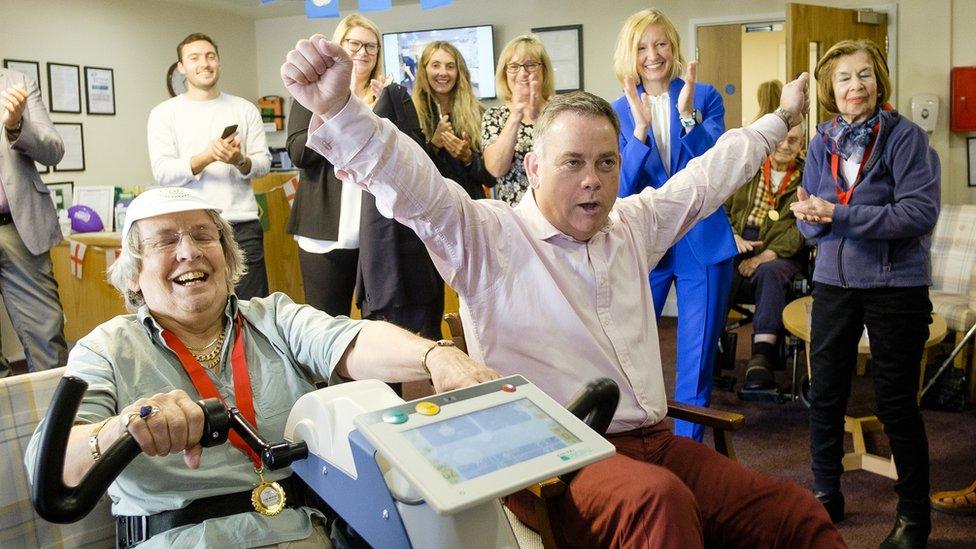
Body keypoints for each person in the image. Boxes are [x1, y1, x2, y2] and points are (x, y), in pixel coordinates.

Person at [281, 34, 844, 548]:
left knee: (791, 513)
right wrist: (338, 110)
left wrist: (780, 119)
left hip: (654, 442)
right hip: (550, 463)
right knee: (659, 504)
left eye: (606, 162)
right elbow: (411, 182)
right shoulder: (487, 236)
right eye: (572, 163)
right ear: (533, 167)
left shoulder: (632, 224)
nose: (592, 179)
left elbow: (709, 176)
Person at [24, 186, 499, 548]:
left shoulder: (273, 317)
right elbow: (52, 467)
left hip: (303, 535)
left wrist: (437, 356)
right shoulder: (107, 347)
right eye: (166, 242)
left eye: (203, 236)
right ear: (133, 274)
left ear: (227, 257)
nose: (189, 251)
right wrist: (127, 428)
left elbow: (352, 339)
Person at [791, 39, 940, 549]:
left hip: (896, 285)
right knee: (826, 393)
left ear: (879, 80)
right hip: (834, 281)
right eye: (843, 79)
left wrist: (838, 215)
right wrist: (810, 219)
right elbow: (814, 219)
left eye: (864, 75)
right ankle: (826, 490)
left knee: (897, 404)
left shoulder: (906, 138)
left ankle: (914, 518)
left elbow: (918, 214)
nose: (855, 87)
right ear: (830, 90)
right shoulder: (822, 140)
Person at [610, 9, 735, 441]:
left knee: (696, 365)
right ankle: (636, 447)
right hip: (646, 244)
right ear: (631, 54)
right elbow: (620, 189)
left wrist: (686, 118)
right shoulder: (616, 111)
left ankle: (688, 457)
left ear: (674, 47)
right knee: (624, 354)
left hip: (703, 242)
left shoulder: (705, 97)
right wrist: (640, 132)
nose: (652, 55)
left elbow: (717, 167)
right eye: (642, 47)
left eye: (660, 44)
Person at [286, 14, 443, 344]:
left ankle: (383, 394)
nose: (362, 51)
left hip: (379, 234)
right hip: (326, 230)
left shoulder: (390, 96)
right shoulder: (311, 89)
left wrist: (381, 115)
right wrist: (339, 114)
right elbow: (299, 153)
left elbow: (414, 153)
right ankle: (333, 395)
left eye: (370, 45)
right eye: (353, 44)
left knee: (383, 330)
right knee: (327, 331)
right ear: (338, 46)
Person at [148, 33, 272, 301]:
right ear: (181, 66)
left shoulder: (245, 109)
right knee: (202, 305)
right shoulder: (164, 113)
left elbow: (263, 165)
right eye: (194, 58)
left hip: (242, 224)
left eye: (210, 56)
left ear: (218, 62)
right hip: (190, 229)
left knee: (254, 307)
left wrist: (238, 159)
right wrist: (206, 157)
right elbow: (163, 172)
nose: (204, 63)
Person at [724, 80, 808, 396]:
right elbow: (722, 207)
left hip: (779, 256)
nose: (786, 146)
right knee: (717, 265)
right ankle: (714, 346)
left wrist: (763, 256)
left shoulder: (806, 178)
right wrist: (730, 236)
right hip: (738, 244)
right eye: (782, 139)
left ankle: (762, 355)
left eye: (794, 142)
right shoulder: (749, 169)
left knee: (771, 274)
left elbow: (800, 228)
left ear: (802, 146)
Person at [0, 69, 67, 376]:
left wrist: (17, 125)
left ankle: (61, 424)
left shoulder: (17, 82)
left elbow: (54, 150)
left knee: (47, 342)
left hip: (20, 226)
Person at [412, 40, 496, 199]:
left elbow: (491, 178)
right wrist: (435, 145)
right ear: (424, 70)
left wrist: (468, 157)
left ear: (459, 72)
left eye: (450, 66)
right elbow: (410, 175)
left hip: (470, 210)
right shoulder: (411, 115)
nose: (443, 72)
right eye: (435, 65)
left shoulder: (480, 113)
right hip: (428, 211)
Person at [481, 35, 554, 206]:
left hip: (558, 213)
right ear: (504, 74)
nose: (523, 73)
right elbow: (496, 168)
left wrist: (538, 119)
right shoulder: (494, 116)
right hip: (515, 218)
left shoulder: (561, 111)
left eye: (530, 65)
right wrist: (516, 114)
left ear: (544, 70)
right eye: (514, 66)